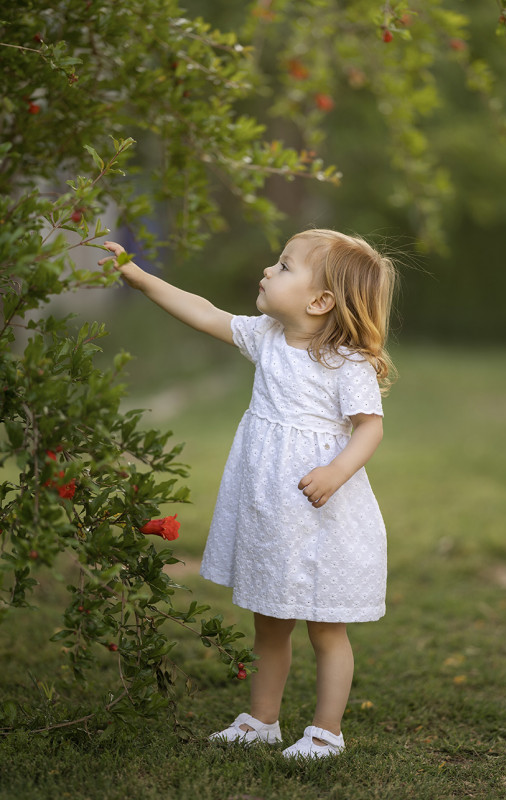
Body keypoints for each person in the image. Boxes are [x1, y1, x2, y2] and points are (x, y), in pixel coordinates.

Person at [98, 229, 396, 759]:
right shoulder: (266, 338)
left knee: (326, 630)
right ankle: (262, 720)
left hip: (320, 511)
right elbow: (204, 311)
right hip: (271, 512)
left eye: (283, 267)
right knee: (269, 622)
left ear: (320, 300)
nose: (267, 271)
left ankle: (327, 732)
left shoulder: (346, 363)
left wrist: (335, 470)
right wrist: (138, 277)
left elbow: (369, 428)